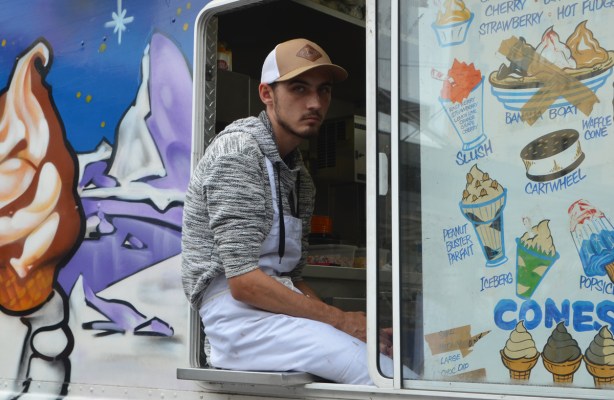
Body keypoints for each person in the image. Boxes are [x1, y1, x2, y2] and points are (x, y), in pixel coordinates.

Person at [181, 38, 413, 385]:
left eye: (324, 90)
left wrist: (355, 330)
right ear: (266, 94)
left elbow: (295, 278)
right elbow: (244, 283)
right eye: (298, 88)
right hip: (237, 320)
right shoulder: (238, 152)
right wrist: (341, 321)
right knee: (382, 379)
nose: (315, 102)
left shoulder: (298, 173)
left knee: (388, 364)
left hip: (275, 312)